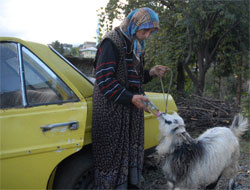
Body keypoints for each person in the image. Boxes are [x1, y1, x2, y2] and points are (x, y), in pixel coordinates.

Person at [92, 7, 169, 189]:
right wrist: (130, 98)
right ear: (134, 25)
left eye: (151, 31)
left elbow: (134, 77)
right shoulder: (112, 42)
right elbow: (104, 80)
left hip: (129, 108)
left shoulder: (135, 45)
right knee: (111, 156)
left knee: (128, 153)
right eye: (145, 30)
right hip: (111, 110)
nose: (147, 35)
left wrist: (150, 72)